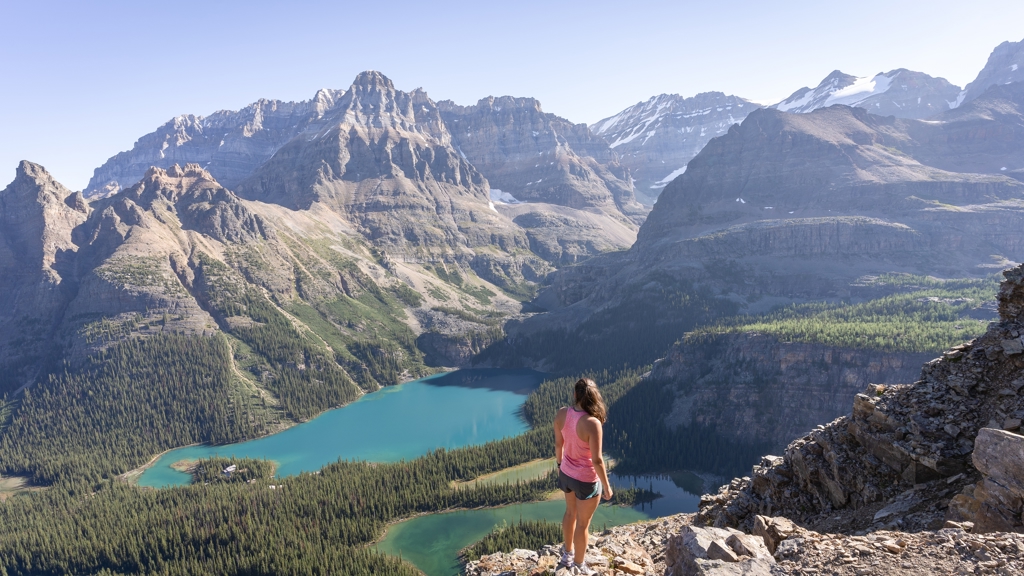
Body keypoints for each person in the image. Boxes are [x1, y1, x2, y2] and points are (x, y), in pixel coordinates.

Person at [554, 378, 613, 574]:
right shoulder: (592, 423)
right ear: (594, 398)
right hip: (586, 480)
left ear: (575, 395)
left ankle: (567, 555)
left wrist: (560, 465)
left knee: (570, 513)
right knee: (583, 524)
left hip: (566, 474)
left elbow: (558, 445)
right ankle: (579, 566)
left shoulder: (563, 413)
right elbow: (597, 460)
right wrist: (606, 485)